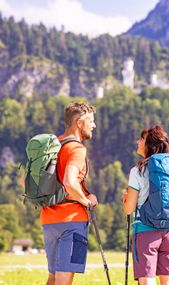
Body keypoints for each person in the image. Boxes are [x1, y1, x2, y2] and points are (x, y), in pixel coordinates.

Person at [41, 102, 99, 285]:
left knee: (53, 277)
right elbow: (69, 181)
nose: (94, 125)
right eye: (91, 121)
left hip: (49, 221)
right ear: (79, 123)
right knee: (64, 280)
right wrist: (86, 201)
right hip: (72, 222)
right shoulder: (76, 149)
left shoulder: (52, 146)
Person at [123, 125, 169, 285]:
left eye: (141, 139)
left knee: (147, 282)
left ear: (149, 145)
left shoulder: (138, 171)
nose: (137, 141)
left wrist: (126, 199)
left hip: (146, 232)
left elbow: (129, 209)